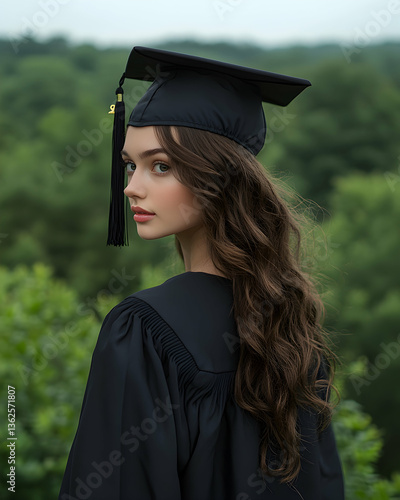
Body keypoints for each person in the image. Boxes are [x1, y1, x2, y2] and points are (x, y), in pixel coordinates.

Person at [58, 46, 345, 499]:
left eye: (161, 166)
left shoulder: (144, 329)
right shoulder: (291, 329)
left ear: (218, 177)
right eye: (130, 165)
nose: (131, 186)